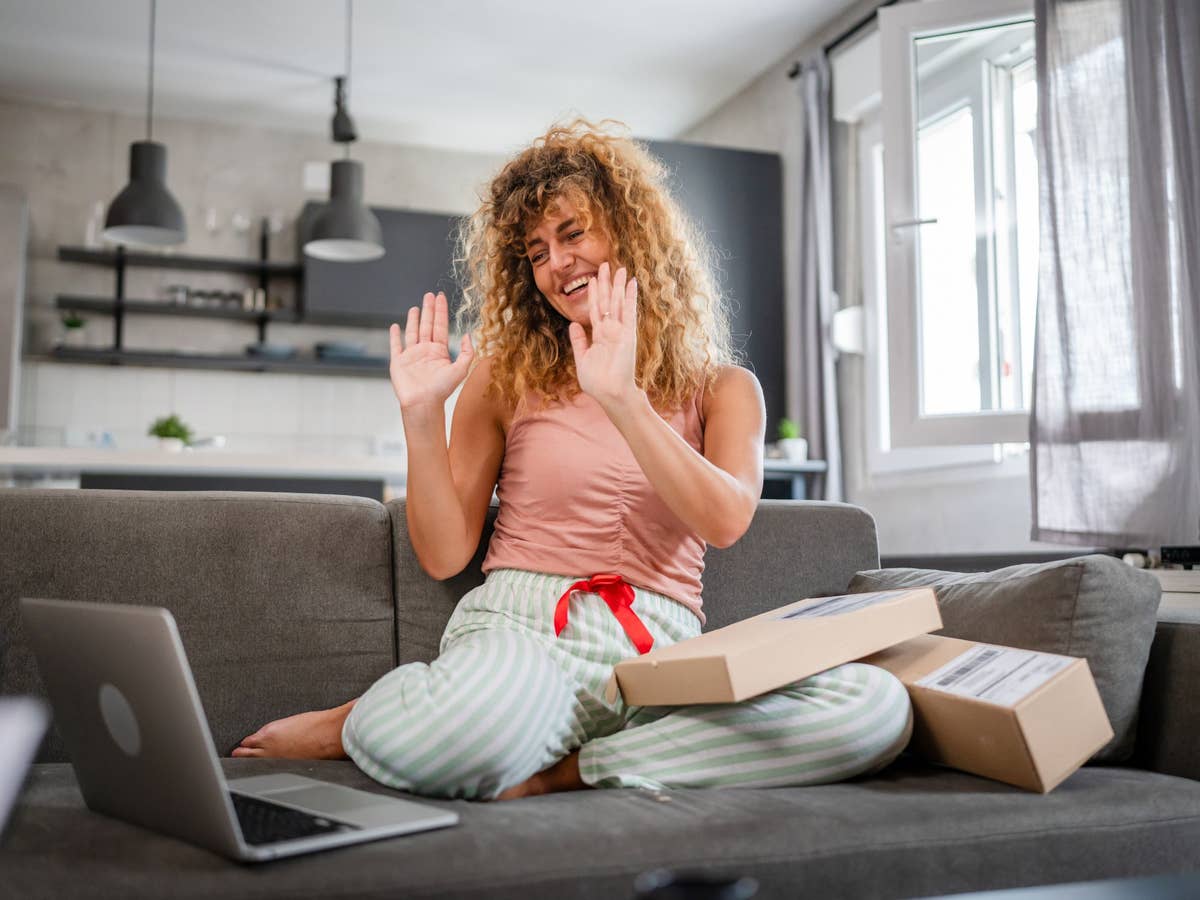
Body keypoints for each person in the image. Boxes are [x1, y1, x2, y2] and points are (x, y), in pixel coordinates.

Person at [234, 120, 912, 800]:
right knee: (459, 736)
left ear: (631, 230)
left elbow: (726, 520)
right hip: (527, 640)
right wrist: (420, 418)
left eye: (572, 233)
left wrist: (622, 398)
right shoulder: (504, 374)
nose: (556, 263)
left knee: (874, 708)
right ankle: (362, 719)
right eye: (535, 252)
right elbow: (443, 555)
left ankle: (575, 769)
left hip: (661, 657)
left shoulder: (724, 388)